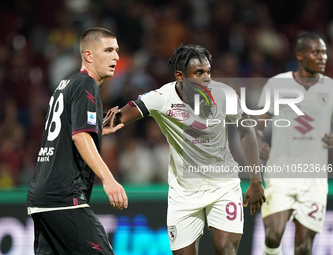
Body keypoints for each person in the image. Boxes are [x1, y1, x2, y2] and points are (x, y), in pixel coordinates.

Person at [107, 44, 266, 255]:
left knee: (225, 249)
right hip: (183, 193)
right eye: (199, 73)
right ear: (180, 76)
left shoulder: (224, 94)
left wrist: (256, 180)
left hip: (223, 187)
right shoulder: (162, 98)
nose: (206, 78)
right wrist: (96, 126)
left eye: (208, 71)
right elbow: (124, 115)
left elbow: (246, 132)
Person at [26, 27, 127, 255]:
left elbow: (64, 130)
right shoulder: (86, 84)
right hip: (63, 197)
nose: (116, 57)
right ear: (88, 55)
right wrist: (108, 179)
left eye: (117, 50)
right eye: (108, 50)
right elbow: (80, 136)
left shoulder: (66, 84)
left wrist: (97, 128)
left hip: (42, 196)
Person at [255, 33, 333, 255]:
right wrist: (259, 140)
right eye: (316, 52)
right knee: (272, 236)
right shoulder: (277, 84)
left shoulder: (330, 88)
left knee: (304, 247)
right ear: (300, 55)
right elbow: (257, 121)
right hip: (280, 175)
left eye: (324, 52)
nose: (322, 57)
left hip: (315, 180)